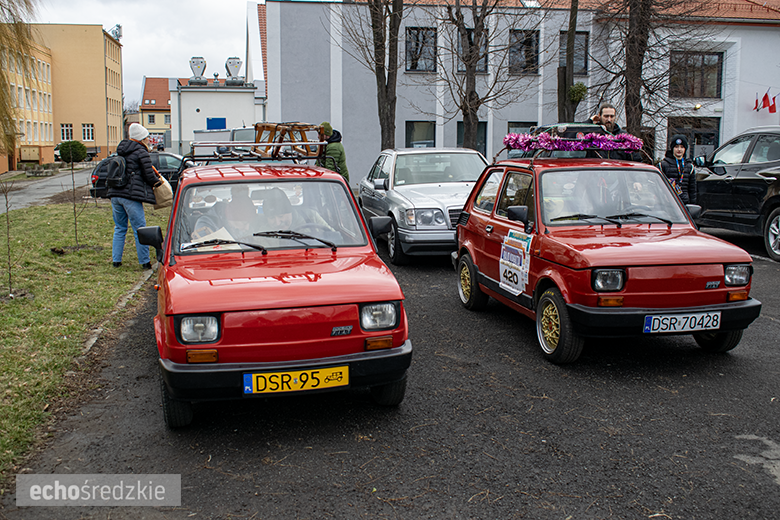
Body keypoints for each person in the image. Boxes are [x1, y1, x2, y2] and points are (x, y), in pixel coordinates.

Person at [107, 123, 161, 270]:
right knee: (140, 229)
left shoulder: (122, 150)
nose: (149, 140)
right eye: (147, 137)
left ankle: (116, 261)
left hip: (115, 194)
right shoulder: (140, 152)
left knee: (119, 228)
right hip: (130, 196)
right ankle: (145, 262)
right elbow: (148, 175)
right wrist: (158, 183)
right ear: (142, 139)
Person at [191, 186, 261, 241]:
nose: (247, 228)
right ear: (231, 218)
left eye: (249, 223)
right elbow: (204, 249)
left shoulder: (245, 228)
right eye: (244, 223)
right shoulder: (206, 223)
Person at [261, 187, 333, 232]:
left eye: (281, 216)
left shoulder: (311, 217)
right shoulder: (261, 233)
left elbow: (334, 237)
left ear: (290, 212)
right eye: (271, 218)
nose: (278, 223)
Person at [659, 134, 696, 204]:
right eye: (676, 147)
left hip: (684, 204)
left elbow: (692, 189)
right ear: (672, 148)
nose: (679, 149)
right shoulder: (663, 165)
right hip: (667, 202)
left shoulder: (690, 166)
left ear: (685, 149)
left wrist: (692, 205)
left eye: (682, 147)